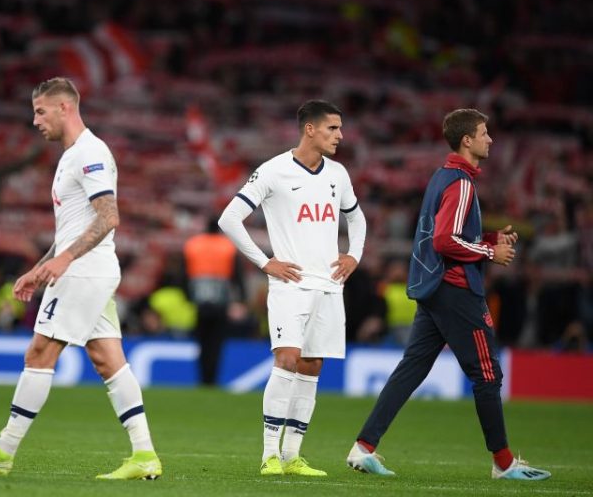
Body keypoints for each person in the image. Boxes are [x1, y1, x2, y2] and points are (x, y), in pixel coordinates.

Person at [0, 77, 162, 480]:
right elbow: (74, 228)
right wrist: (40, 266)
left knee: (39, 353)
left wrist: (63, 261)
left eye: (40, 111)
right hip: (87, 267)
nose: (34, 121)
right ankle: (145, 455)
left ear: (65, 108)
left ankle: (3, 451)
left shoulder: (90, 152)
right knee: (109, 360)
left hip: (85, 270)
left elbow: (109, 217)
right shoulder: (70, 156)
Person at [346, 109, 551, 481]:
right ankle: (503, 464)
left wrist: (488, 238)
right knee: (487, 374)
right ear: (467, 141)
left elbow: (444, 235)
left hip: (435, 288)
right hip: (456, 291)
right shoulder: (461, 184)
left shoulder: (444, 177)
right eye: (484, 133)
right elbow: (443, 241)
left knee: (411, 369)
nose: (490, 139)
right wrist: (490, 253)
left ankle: (363, 448)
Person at [218, 99, 366, 477]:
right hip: (290, 284)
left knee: (312, 366)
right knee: (286, 359)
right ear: (310, 129)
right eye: (333, 128)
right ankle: (269, 454)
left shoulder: (338, 173)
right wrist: (265, 261)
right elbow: (229, 218)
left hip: (330, 285)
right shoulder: (273, 171)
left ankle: (293, 456)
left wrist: (354, 254)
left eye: (341, 128)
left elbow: (356, 216)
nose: (340, 135)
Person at [182, 216, 244, 385]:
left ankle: (202, 378)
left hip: (199, 302)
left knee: (202, 342)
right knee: (216, 343)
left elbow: (184, 273)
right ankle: (212, 379)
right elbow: (237, 276)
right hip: (221, 302)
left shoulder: (193, 244)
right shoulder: (227, 246)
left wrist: (188, 297)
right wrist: (240, 300)